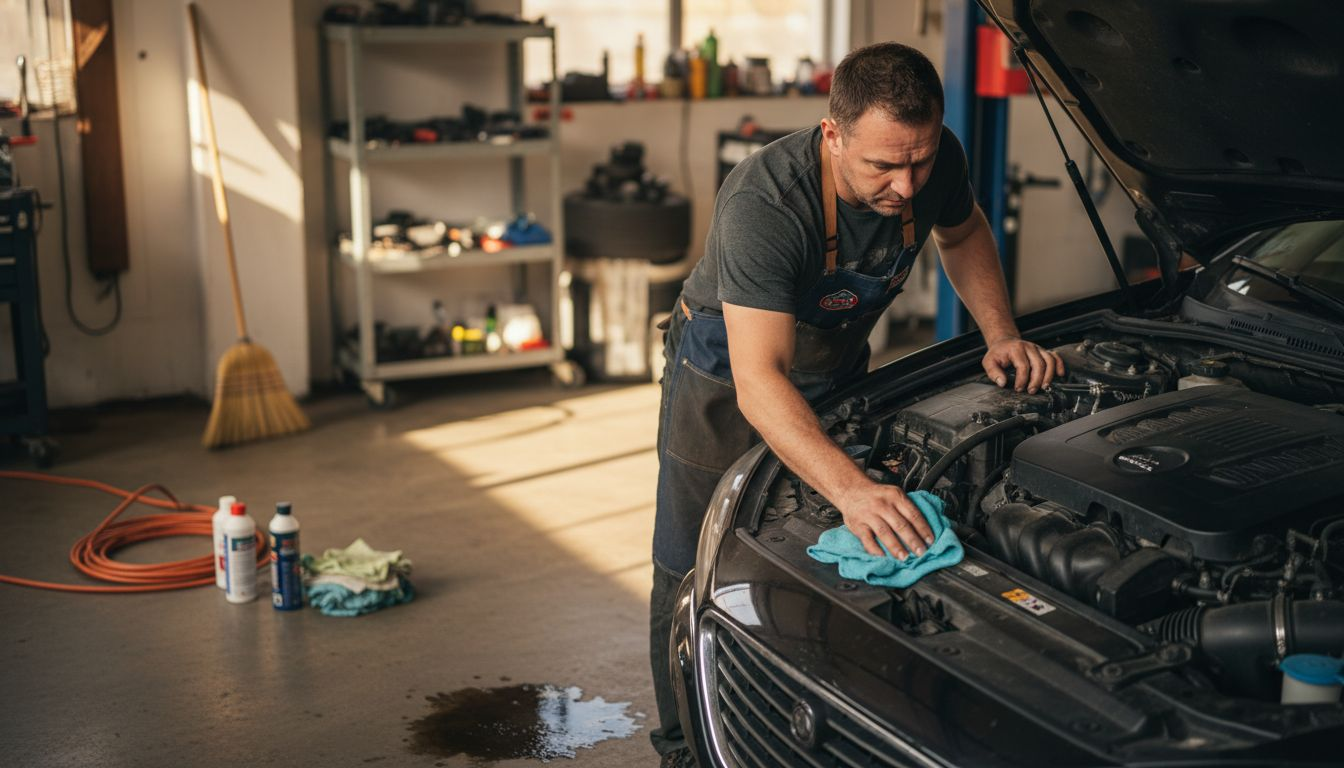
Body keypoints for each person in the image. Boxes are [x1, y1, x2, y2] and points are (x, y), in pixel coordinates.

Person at [648, 42, 1064, 766]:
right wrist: (853, 490)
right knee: (691, 563)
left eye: (919, 161)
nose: (906, 185)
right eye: (882, 166)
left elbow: (963, 231)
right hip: (726, 374)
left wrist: (1000, 333)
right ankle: (684, 746)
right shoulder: (766, 203)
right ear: (832, 134)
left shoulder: (936, 158)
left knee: (817, 550)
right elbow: (761, 380)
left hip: (835, 363)